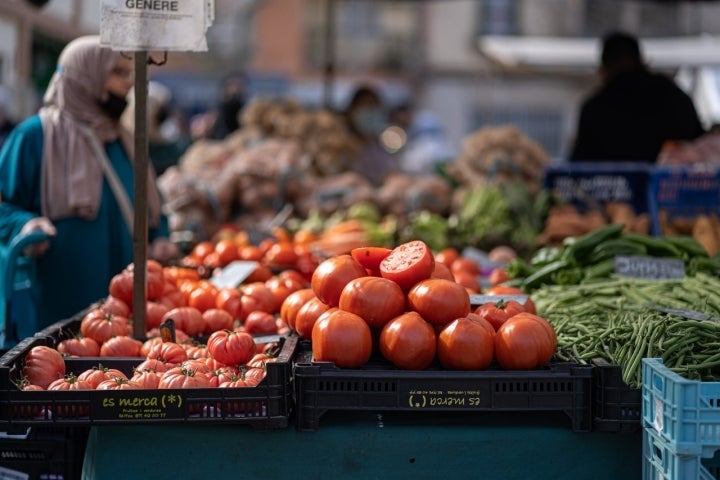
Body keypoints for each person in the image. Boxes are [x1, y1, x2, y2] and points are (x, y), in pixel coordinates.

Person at [0, 35, 180, 340]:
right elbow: (5, 204)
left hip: (125, 315)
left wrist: (160, 236)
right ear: (86, 76)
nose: (128, 83)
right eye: (118, 73)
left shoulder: (125, 141)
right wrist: (26, 223)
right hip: (56, 308)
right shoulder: (36, 136)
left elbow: (151, 207)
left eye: (129, 73)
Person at [570, 31, 705, 163]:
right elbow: (699, 142)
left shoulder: (595, 108)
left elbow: (579, 164)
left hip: (610, 184)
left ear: (605, 68)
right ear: (642, 61)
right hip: (669, 184)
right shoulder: (674, 96)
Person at [342, 84, 400, 186]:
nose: (372, 111)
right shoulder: (342, 145)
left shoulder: (380, 145)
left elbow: (392, 172)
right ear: (352, 110)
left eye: (375, 106)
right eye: (367, 106)